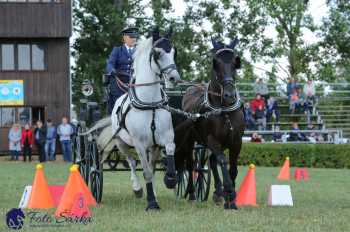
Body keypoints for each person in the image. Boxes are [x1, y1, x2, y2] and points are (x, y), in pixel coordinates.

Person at [105, 26, 139, 114]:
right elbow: (110, 63)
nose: (134, 39)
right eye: (131, 37)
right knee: (118, 101)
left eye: (135, 37)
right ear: (124, 37)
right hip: (119, 81)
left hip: (135, 82)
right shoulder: (117, 50)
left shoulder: (139, 51)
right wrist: (111, 70)